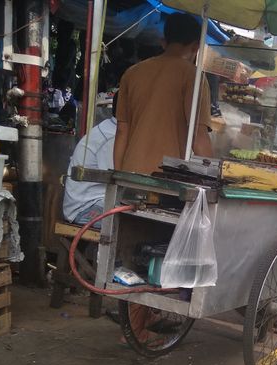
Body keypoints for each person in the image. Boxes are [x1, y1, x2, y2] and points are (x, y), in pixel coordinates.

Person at [114, 13, 212, 174]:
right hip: (166, 179)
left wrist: (118, 176)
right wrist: (214, 177)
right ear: (196, 47)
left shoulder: (132, 73)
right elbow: (198, 136)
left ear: (163, 42)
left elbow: (122, 131)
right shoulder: (193, 76)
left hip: (129, 174)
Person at [62, 93, 118, 228]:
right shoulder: (111, 137)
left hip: (95, 202)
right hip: (84, 208)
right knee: (129, 222)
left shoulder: (111, 129)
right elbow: (117, 181)